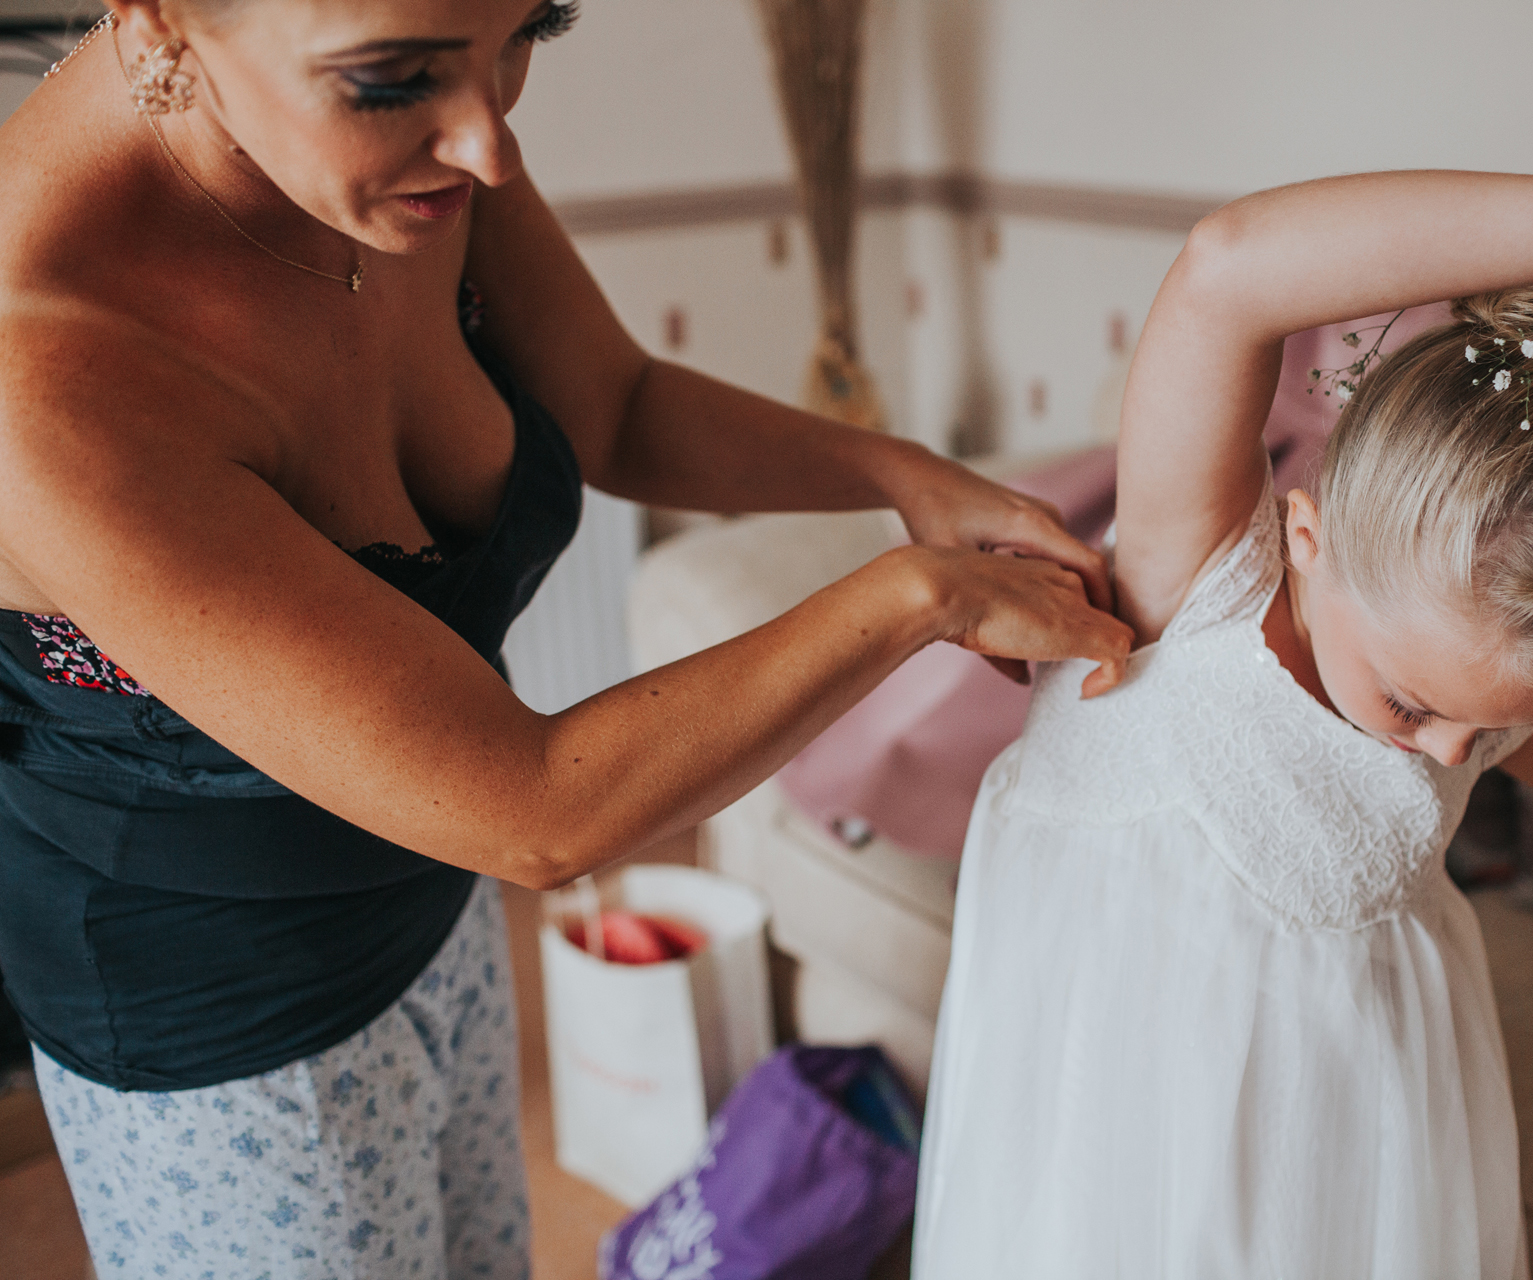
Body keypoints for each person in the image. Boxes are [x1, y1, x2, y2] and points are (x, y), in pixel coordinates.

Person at [0, 3, 1132, 1275]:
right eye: (392, 79)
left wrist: (904, 471)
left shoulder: (408, 157)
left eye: (529, 31)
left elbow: (614, 404)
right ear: (161, 20)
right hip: (219, 1023)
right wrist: (919, 596)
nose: (490, 146)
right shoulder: (37, 363)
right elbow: (532, 808)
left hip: (435, 911)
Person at [912, 170, 1533, 1278]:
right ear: (1308, 541)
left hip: (1350, 1135)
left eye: (1492, 731)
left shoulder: (1479, 693)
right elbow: (1228, 268)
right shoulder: (1189, 585)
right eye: (1416, 705)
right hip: (1107, 1103)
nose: (1448, 759)